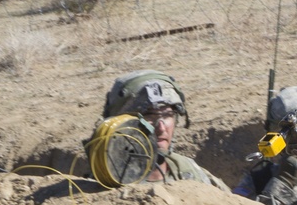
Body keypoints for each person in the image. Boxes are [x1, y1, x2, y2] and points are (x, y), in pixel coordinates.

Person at [94, 69, 230, 191]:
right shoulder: (107, 183)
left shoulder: (190, 172)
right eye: (149, 116)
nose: (161, 127)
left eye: (167, 115)